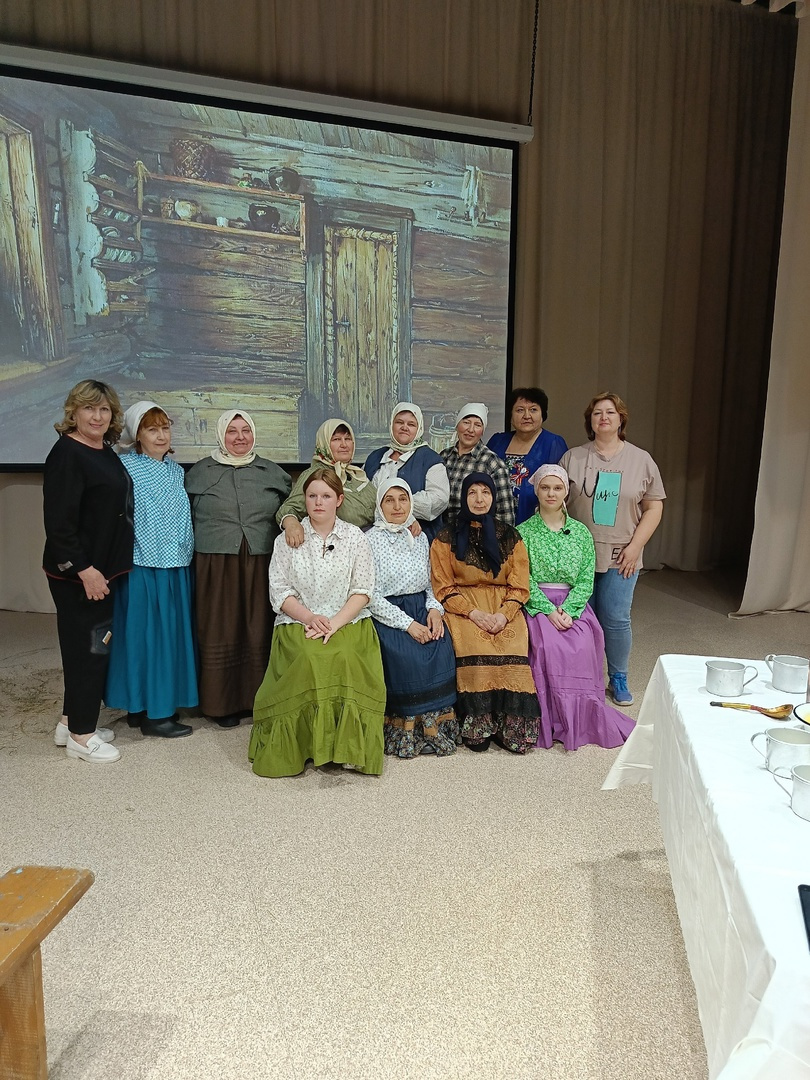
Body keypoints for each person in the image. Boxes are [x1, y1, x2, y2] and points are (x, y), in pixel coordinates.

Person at [250, 469, 386, 777]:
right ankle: (308, 747)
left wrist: (335, 623)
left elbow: (363, 590)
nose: (318, 502)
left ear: (339, 499)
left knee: (346, 655)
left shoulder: (355, 537)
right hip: (299, 619)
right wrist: (310, 617)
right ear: (305, 500)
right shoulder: (285, 540)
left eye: (326, 496)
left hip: (348, 619)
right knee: (308, 656)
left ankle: (346, 749)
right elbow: (280, 591)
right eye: (312, 496)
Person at [43, 379, 133, 764]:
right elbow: (58, 524)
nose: (97, 416)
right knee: (90, 651)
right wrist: (85, 569)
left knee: (85, 648)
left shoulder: (102, 450)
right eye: (89, 408)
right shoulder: (67, 453)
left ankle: (71, 722)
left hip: (103, 570)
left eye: (104, 409)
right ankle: (82, 738)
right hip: (81, 576)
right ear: (73, 412)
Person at [185, 411, 291, 727]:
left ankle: (260, 699)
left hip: (261, 560)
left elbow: (291, 508)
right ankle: (222, 704)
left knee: (259, 626)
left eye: (246, 430)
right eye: (232, 431)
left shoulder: (272, 472)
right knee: (221, 627)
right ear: (221, 435)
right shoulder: (199, 473)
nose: (240, 437)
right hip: (216, 564)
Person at [517, 465, 635, 749]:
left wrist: (569, 611)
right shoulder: (522, 532)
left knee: (582, 645)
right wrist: (547, 610)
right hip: (537, 603)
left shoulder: (581, 533)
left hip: (573, 604)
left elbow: (585, 579)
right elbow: (522, 577)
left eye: (557, 488)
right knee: (546, 645)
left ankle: (580, 718)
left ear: (566, 492)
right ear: (536, 491)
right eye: (545, 488)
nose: (551, 493)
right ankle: (550, 717)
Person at [560, 392, 665, 706]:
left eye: (610, 412)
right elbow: (555, 503)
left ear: (621, 419)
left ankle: (618, 676)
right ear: (590, 421)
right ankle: (585, 677)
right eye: (597, 413)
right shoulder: (572, 458)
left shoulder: (641, 460)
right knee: (581, 617)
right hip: (579, 554)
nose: (603, 417)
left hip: (622, 555)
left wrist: (636, 547)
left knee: (616, 618)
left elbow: (654, 507)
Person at [104, 401, 197, 738]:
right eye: (151, 429)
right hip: (142, 565)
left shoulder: (176, 471)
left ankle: (148, 704)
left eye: (165, 428)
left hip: (175, 566)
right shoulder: (124, 467)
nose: (160, 436)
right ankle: (153, 714)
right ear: (137, 434)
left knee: (167, 638)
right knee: (145, 638)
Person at [430, 472, 540, 753]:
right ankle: (478, 727)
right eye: (472, 493)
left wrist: (504, 614)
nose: (479, 499)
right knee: (474, 645)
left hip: (504, 606)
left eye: (485, 492)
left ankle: (509, 727)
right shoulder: (445, 537)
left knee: (512, 646)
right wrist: (473, 613)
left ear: (494, 497)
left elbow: (520, 584)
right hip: (463, 608)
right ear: (463, 497)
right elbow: (442, 586)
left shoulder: (510, 536)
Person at [366, 478, 458, 758]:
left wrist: (434, 610)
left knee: (441, 646)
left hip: (421, 606)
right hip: (388, 612)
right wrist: (408, 625)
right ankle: (406, 731)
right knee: (409, 657)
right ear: (380, 505)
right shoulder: (369, 540)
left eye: (403, 499)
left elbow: (431, 582)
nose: (397, 506)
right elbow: (370, 595)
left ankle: (435, 729)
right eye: (389, 500)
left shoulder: (419, 537)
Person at [276, 418, 377, 547]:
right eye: (336, 439)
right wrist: (291, 524)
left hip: (369, 547)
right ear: (324, 444)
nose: (344, 444)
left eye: (347, 439)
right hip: (338, 548)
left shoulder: (357, 475)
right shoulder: (315, 475)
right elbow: (289, 509)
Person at [363, 402, 449, 541]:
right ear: (391, 425)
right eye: (399, 422)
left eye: (411, 424)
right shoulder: (376, 457)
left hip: (416, 538)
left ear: (419, 428)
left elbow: (439, 499)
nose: (404, 427)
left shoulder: (430, 459)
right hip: (376, 539)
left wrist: (402, 510)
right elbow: (364, 493)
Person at [487, 387, 568, 525]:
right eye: (519, 410)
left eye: (533, 410)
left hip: (535, 525)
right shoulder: (497, 441)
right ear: (511, 415)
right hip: (495, 523)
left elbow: (560, 489)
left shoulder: (553, 443)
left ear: (543, 414)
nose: (526, 416)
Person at [440, 402, 513, 525]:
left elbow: (505, 515)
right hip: (443, 533)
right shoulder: (444, 457)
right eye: (466, 422)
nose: (470, 430)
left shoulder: (493, 464)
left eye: (477, 425)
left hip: (477, 533)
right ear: (457, 425)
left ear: (482, 431)